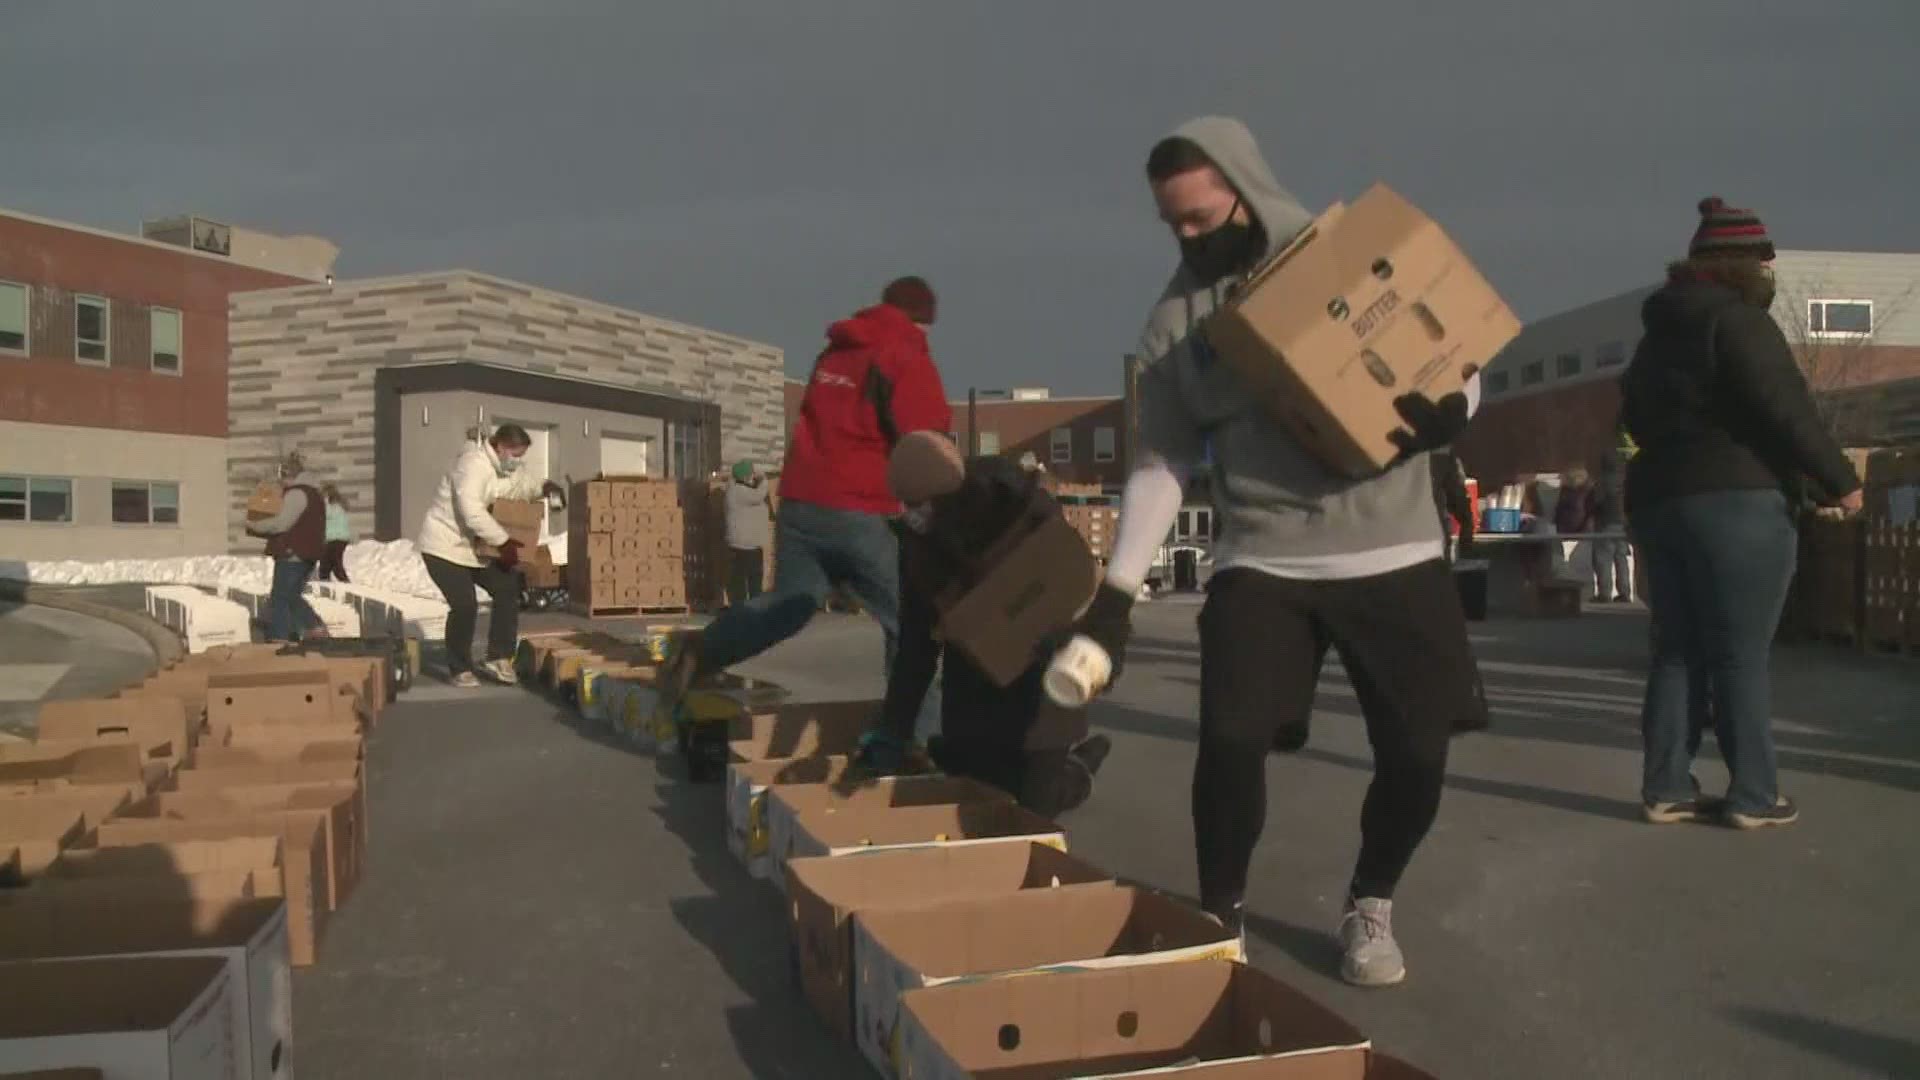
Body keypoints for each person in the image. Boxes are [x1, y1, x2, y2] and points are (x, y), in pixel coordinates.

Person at [1062, 117, 1488, 988]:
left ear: (1244, 191)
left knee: (1417, 753)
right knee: (1227, 738)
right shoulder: (1177, 325)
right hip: (1263, 554)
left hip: (1392, 546)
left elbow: (1456, 350)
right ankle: (1220, 914)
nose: (1187, 239)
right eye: (1171, 225)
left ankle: (1373, 901)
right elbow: (1163, 463)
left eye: (1199, 218)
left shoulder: (1343, 258)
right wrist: (1114, 597)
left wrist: (1455, 410)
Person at [1619, 196, 1862, 829]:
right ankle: (1754, 794)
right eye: (1766, 260)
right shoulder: (1739, 323)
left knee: (1675, 651)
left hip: (1659, 500)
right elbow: (1783, 410)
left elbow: (1633, 417)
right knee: (1739, 654)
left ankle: (1666, 787)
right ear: (1745, 265)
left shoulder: (1657, 333)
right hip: (1737, 499)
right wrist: (1841, 480)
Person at [659, 277, 952, 706]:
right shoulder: (905, 355)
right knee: (911, 618)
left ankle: (703, 650)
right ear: (922, 321)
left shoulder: (834, 353)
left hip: (801, 503)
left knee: (790, 604)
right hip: (861, 508)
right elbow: (926, 441)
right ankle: (913, 737)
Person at [861, 431, 1111, 811]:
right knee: (979, 808)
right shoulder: (920, 551)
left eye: (917, 503)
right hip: (974, 693)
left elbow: (1070, 581)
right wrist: (893, 730)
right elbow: (916, 647)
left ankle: (1075, 774)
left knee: (1034, 808)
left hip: (1044, 686)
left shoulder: (1018, 509)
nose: (911, 515)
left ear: (943, 493)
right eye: (906, 505)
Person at [415, 424, 562, 687]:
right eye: (515, 454)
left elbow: (522, 486)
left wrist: (546, 487)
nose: (517, 461)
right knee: (465, 605)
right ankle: (458, 667)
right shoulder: (472, 465)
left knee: (508, 587)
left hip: (475, 550)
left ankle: (498, 657)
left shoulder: (506, 469)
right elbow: (471, 510)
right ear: (500, 446)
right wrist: (503, 543)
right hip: (444, 547)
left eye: (521, 456)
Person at [246, 450, 328, 643]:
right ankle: (308, 628)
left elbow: (282, 523)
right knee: (289, 595)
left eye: (282, 476)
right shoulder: (313, 493)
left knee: (281, 597)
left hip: (293, 553)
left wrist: (255, 525)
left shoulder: (297, 493)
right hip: (306, 553)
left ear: (289, 475)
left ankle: (283, 636)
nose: (280, 482)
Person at [724, 460, 771, 608]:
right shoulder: (738, 491)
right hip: (745, 546)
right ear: (744, 476)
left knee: (744, 579)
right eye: (750, 473)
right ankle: (748, 609)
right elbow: (758, 495)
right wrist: (763, 480)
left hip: (744, 544)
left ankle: (745, 608)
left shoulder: (738, 489)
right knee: (751, 579)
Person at [1588, 450, 1632, 602]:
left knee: (1603, 559)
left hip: (1605, 523)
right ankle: (1625, 592)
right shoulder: (1626, 481)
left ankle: (1605, 593)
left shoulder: (1602, 481)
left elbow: (1596, 502)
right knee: (1621, 559)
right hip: (1624, 523)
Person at [317, 485, 353, 584]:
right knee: (333, 562)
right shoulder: (341, 505)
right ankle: (332, 581)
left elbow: (323, 515)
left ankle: (340, 582)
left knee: (328, 563)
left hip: (333, 538)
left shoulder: (331, 505)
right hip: (342, 538)